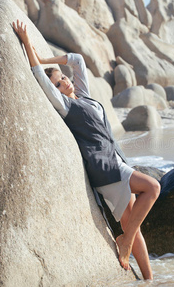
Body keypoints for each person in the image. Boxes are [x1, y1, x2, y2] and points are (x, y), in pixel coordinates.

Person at [12, 20, 160, 280]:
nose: (64, 82)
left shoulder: (84, 96)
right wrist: (27, 43)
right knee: (153, 188)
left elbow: (77, 60)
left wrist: (48, 58)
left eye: (63, 78)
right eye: (58, 84)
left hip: (116, 161)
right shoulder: (66, 107)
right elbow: (39, 76)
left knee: (131, 224)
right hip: (105, 169)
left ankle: (148, 280)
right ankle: (124, 243)